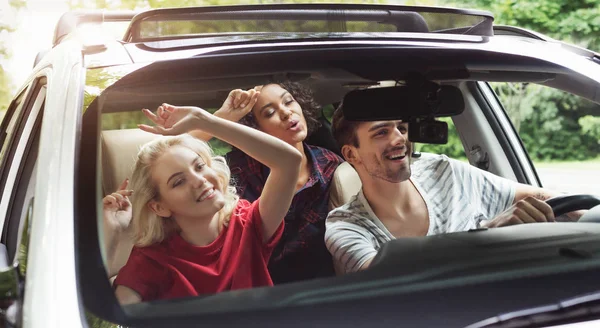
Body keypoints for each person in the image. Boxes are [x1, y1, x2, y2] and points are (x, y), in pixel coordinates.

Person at [325, 106, 582, 274]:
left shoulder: (443, 171)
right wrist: (486, 235)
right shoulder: (345, 226)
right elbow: (386, 280)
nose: (400, 139)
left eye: (402, 128)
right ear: (351, 153)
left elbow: (534, 196)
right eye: (382, 132)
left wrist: (585, 211)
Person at [104, 104, 302, 304]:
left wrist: (204, 120)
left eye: (199, 166)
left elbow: (289, 161)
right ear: (159, 207)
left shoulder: (247, 224)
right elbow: (111, 315)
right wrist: (110, 235)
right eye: (179, 181)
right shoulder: (152, 260)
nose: (199, 180)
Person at [148, 82, 343, 284]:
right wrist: (222, 118)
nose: (286, 113)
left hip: (323, 287)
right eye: (269, 113)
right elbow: (172, 162)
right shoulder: (237, 169)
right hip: (254, 285)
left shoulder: (332, 165)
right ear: (254, 129)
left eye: (288, 101)